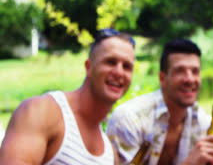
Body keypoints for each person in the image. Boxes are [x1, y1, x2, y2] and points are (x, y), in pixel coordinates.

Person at [0, 28, 136, 164]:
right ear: (89, 67)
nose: (119, 72)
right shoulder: (41, 112)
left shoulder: (110, 156)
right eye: (110, 62)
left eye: (127, 66)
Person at [106, 39, 213, 165]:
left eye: (195, 71)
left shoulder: (201, 121)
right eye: (180, 71)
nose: (190, 79)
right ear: (162, 78)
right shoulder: (130, 119)